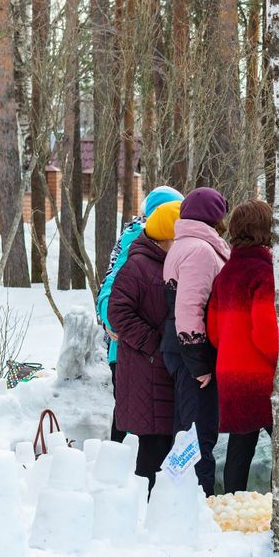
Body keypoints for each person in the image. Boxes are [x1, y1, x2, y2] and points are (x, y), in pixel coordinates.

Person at [97, 185, 184, 442]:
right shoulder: (137, 241)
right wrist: (112, 322)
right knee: (134, 425)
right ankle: (118, 463)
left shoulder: (162, 243)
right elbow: (110, 289)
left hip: (145, 351)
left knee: (140, 423)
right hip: (133, 352)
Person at [107, 201, 182, 491]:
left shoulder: (166, 263)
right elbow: (118, 313)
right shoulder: (137, 266)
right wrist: (154, 345)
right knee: (153, 444)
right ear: (165, 235)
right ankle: (145, 506)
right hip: (144, 369)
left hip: (160, 369)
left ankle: (156, 504)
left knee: (163, 441)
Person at [162, 187, 230, 496]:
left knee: (187, 429)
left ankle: (180, 496)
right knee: (199, 432)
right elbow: (189, 308)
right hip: (192, 352)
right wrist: (199, 363)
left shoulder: (184, 244)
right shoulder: (200, 250)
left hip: (182, 349)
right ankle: (198, 499)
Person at [207, 200, 279, 493]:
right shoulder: (264, 273)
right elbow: (266, 333)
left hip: (230, 374)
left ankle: (232, 502)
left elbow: (213, 332)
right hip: (262, 376)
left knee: (240, 446)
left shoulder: (225, 275)